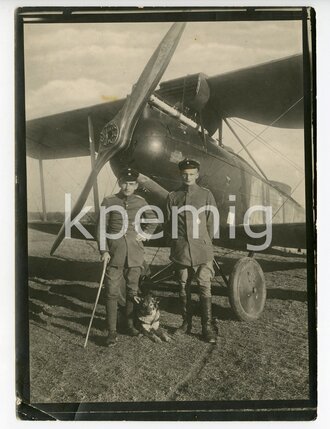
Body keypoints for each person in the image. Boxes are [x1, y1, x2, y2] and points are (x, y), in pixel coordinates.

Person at [97, 167, 157, 346]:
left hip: (135, 253)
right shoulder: (109, 201)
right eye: (124, 182)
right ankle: (112, 331)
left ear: (136, 185)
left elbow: (153, 219)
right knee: (111, 292)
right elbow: (100, 228)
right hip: (114, 254)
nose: (127, 186)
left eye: (131, 184)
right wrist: (103, 250)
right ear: (119, 182)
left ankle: (130, 325)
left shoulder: (141, 201)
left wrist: (145, 234)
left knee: (132, 292)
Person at [165, 158, 218, 343]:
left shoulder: (206, 195)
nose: (188, 177)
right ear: (181, 174)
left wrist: (205, 242)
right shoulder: (173, 196)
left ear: (197, 175)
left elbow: (211, 222)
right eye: (185, 174)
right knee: (182, 286)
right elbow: (169, 223)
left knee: (204, 286)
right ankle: (186, 323)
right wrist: (176, 243)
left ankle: (207, 326)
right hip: (181, 250)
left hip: (202, 250)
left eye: (192, 174)